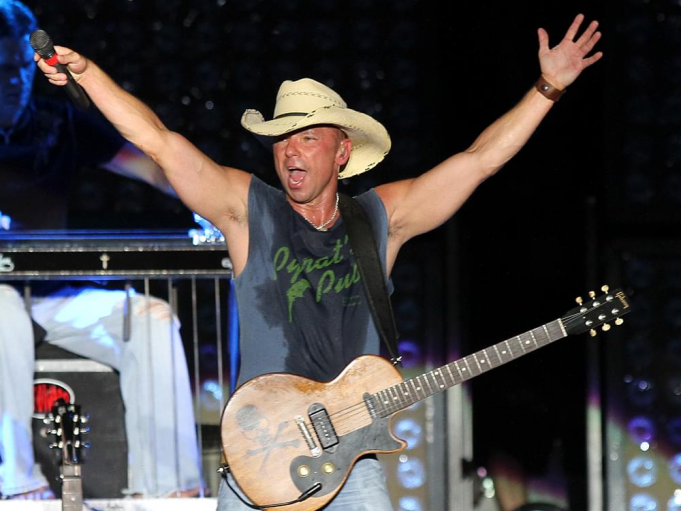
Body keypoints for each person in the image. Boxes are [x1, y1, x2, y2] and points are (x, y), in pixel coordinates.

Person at [35, 11, 603, 510]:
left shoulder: (381, 218)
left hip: (350, 468)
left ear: (342, 152)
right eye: (283, 139)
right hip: (260, 459)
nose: (291, 150)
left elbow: (479, 160)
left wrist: (547, 88)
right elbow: (159, 141)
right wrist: (89, 74)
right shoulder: (247, 210)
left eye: (308, 137)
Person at [0, 0, 202, 500]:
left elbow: (153, 169)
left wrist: (209, 202)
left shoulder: (58, 121)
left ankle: (170, 491)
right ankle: (19, 485)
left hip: (55, 294)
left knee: (152, 320)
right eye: (1, 69)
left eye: (20, 68)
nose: (12, 81)